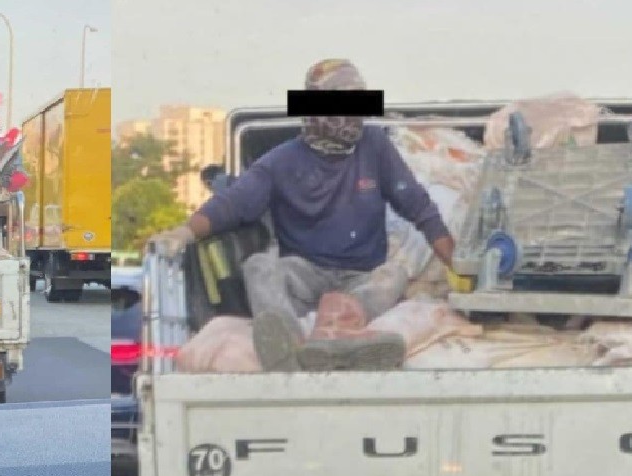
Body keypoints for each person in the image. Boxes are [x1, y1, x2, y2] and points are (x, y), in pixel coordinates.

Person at [150, 59, 457, 371]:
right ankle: (289, 347)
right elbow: (231, 204)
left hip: (360, 278)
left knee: (393, 276)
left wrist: (457, 265)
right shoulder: (281, 161)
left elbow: (420, 208)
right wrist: (184, 233)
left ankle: (343, 335)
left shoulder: (375, 146)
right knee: (258, 267)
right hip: (305, 275)